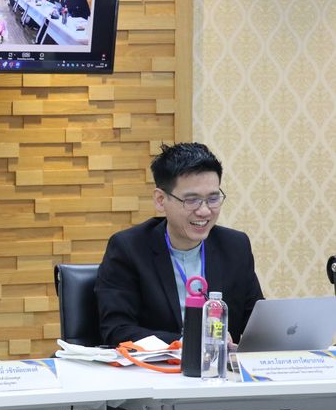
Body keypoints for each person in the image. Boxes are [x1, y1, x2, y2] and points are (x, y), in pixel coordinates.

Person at [96, 143, 264, 347]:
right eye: (192, 200)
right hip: (158, 366)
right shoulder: (129, 248)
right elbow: (117, 330)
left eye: (213, 199)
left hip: (218, 366)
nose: (204, 211)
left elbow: (258, 325)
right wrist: (187, 342)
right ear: (160, 200)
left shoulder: (235, 246)